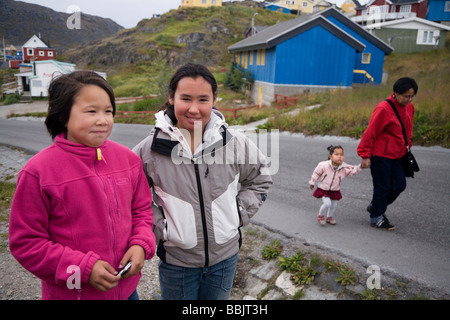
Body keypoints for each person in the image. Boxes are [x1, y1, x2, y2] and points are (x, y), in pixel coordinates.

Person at [9, 70, 156, 300]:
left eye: (108, 111)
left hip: (128, 293)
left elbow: (141, 211)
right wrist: (82, 269)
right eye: (91, 111)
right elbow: (26, 243)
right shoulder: (38, 172)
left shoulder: (129, 161)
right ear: (63, 116)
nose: (102, 120)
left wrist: (141, 244)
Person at [133, 63, 272, 300]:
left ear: (215, 99)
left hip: (225, 260)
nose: (194, 109)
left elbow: (259, 178)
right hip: (178, 265)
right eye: (185, 98)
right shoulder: (150, 149)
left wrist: (237, 214)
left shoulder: (233, 142)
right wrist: (160, 225)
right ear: (171, 97)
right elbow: (127, 196)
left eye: (203, 100)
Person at [357, 77, 418, 231]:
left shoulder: (409, 107)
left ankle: (376, 205)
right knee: (382, 187)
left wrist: (407, 146)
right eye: (406, 96)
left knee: (400, 185)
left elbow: (407, 130)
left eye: (412, 96)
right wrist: (365, 154)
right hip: (380, 155)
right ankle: (376, 217)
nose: (409, 99)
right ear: (396, 93)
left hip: (398, 154)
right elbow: (371, 131)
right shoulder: (384, 108)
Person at [309, 145, 362, 226]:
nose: (339, 157)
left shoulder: (344, 167)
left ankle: (329, 217)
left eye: (341, 154)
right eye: (336, 154)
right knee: (327, 204)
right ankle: (320, 215)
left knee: (334, 205)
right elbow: (316, 173)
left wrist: (360, 167)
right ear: (331, 156)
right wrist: (312, 182)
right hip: (324, 189)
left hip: (335, 189)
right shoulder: (323, 165)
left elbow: (352, 171)